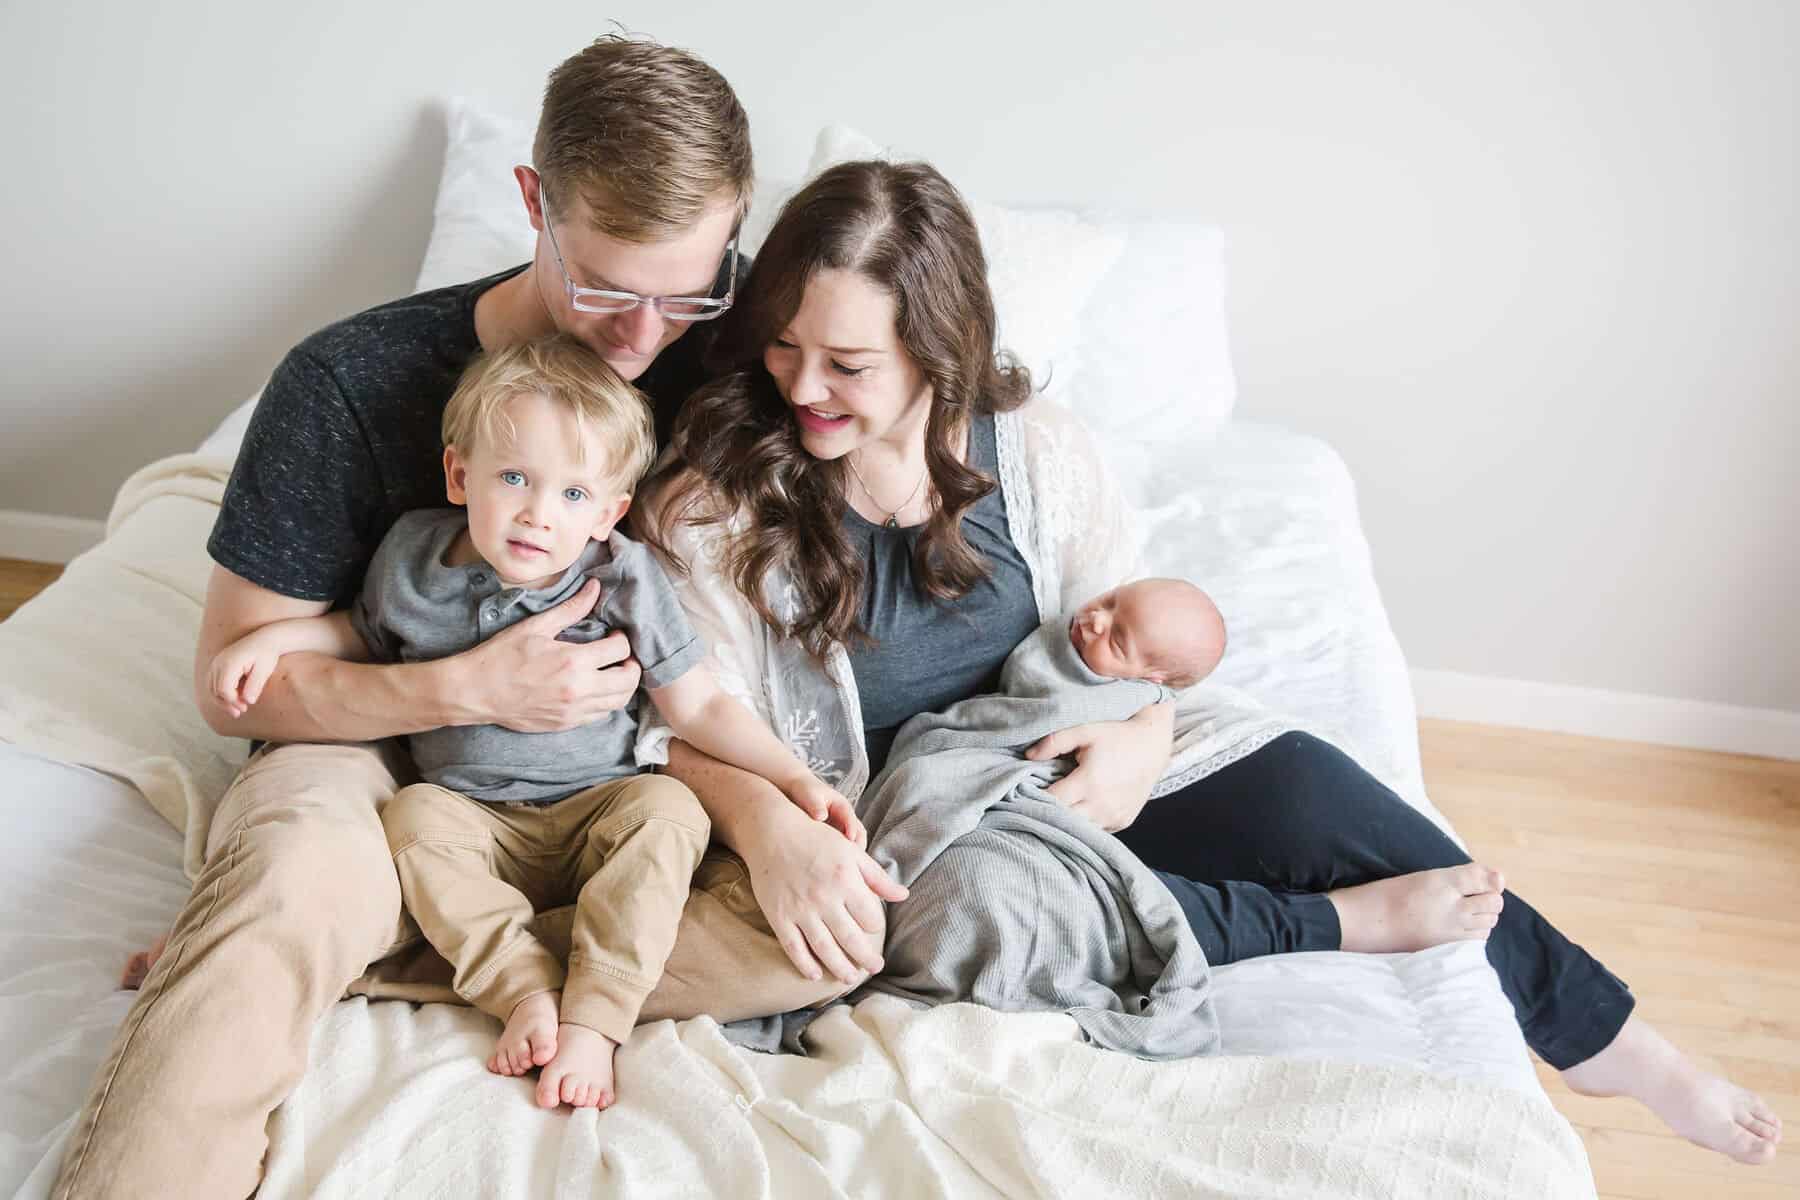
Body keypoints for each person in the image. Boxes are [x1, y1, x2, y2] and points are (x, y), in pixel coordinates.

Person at [640, 158, 1782, 1166]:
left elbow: (1132, 636)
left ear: (939, 348)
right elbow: (683, 726)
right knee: (990, 915)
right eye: (784, 345)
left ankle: (1611, 1044)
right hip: (924, 811)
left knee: (1323, 796)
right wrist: (778, 833)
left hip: (1086, 748)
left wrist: (1137, 745)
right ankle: (1345, 926)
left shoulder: (1037, 453)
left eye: (847, 362)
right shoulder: (720, 506)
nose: (800, 388)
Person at [55, 37, 905, 1200]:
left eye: (686, 290)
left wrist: (773, 812)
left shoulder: (752, 354)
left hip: (623, 775)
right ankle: (287, 955)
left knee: (829, 937)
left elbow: (933, 425)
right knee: (286, 889)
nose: (645, 335)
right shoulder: (350, 382)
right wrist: (467, 688)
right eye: (606, 287)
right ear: (533, 206)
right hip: (375, 759)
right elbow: (234, 683)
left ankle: (391, 956)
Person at [204, 336, 863, 1110]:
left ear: (609, 513)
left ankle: (595, 1014)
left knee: (668, 811)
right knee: (411, 819)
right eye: (514, 477)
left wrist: (790, 776)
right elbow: (361, 637)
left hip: (599, 806)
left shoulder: (619, 575)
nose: (538, 515)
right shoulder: (412, 557)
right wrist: (279, 636)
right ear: (460, 475)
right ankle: (520, 988)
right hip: (474, 817)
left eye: (574, 496)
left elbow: (698, 705)